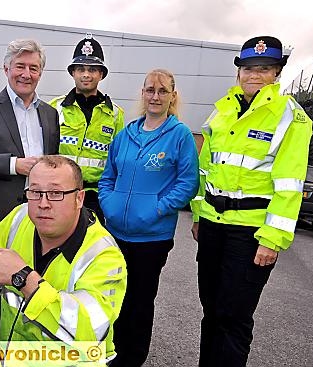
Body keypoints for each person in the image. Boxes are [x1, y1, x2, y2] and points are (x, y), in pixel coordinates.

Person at [190, 36, 313, 367]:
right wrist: (199, 216)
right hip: (214, 227)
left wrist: (272, 240)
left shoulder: (291, 117)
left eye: (264, 69)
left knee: (234, 317)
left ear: (277, 73)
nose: (254, 75)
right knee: (211, 310)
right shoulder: (224, 109)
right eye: (248, 68)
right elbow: (206, 169)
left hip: (250, 233)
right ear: (239, 72)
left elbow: (289, 185)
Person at [0, 155, 127, 363]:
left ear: (79, 198)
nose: (43, 203)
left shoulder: (104, 255)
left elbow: (90, 333)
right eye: (35, 192)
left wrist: (24, 278)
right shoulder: (21, 216)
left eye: (55, 193)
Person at [99, 68, 199, 366]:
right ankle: (109, 353)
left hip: (151, 237)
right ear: (142, 94)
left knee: (139, 302)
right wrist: (109, 203)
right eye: (150, 90)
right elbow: (108, 177)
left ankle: (132, 358)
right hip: (116, 232)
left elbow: (188, 183)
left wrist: (156, 208)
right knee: (111, 297)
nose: (155, 96)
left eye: (162, 91)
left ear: (172, 96)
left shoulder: (179, 135)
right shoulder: (125, 134)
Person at [0, 39, 60, 224]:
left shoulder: (50, 114)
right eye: (20, 66)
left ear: (40, 73)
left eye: (33, 68)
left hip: (42, 211)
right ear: (6, 69)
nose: (26, 74)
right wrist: (14, 165)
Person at [50, 34, 124, 223]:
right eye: (81, 69)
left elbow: (118, 161)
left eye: (92, 69)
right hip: (58, 191)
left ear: (101, 74)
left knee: (91, 248)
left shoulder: (115, 114)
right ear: (72, 72)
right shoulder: (54, 108)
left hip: (95, 197)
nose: (86, 74)